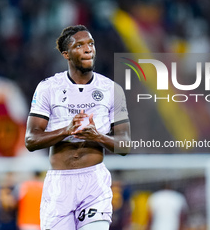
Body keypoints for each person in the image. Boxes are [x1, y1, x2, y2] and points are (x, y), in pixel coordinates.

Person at [25, 24, 131, 230]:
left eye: (91, 44)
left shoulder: (111, 90)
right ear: (66, 54)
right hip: (59, 185)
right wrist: (66, 130)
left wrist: (97, 136)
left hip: (94, 183)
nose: (88, 48)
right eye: (79, 45)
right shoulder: (48, 88)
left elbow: (125, 145)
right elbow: (31, 140)